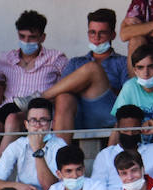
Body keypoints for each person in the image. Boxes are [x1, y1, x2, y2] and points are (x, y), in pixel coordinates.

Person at [0, 10, 68, 177]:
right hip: (9, 105)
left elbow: (67, 82)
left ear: (42, 37)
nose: (26, 41)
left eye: (32, 37)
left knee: (12, 119)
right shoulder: (6, 58)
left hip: (37, 109)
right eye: (22, 36)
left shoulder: (56, 58)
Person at [41, 8, 129, 140]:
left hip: (107, 112)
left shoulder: (123, 62)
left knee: (93, 69)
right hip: (78, 113)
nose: (96, 38)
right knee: (63, 97)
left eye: (102, 33)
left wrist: (99, 84)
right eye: (92, 33)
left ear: (113, 35)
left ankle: (39, 97)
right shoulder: (75, 62)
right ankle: (59, 155)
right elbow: (60, 91)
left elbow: (129, 95)